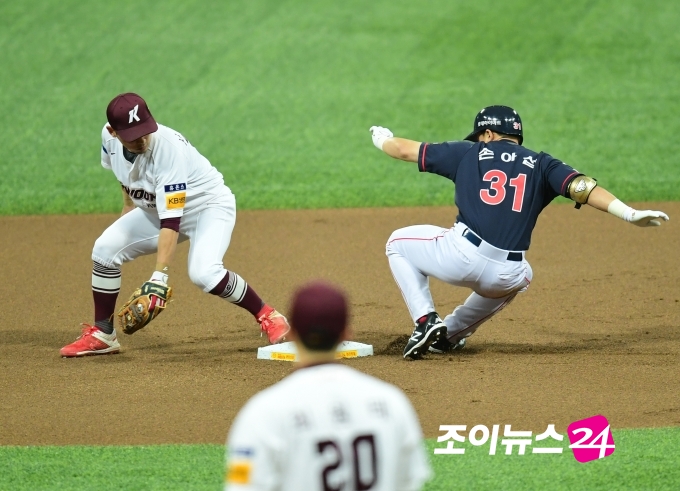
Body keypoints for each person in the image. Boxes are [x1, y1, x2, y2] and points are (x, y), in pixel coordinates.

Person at [369, 105, 669, 360]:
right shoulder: (543, 164)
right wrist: (629, 213)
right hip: (505, 273)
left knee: (397, 242)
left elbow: (404, 150)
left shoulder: (470, 152)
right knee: (522, 274)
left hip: (459, 256)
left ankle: (424, 320)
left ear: (487, 134)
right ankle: (450, 334)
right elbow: (582, 188)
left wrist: (382, 139)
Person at [60, 93, 290, 357]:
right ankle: (103, 334)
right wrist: (127, 206)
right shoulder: (108, 138)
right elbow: (122, 174)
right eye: (132, 136)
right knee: (104, 249)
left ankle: (268, 315)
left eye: (144, 131)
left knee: (204, 273)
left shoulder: (168, 149)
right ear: (113, 132)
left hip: (207, 207)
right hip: (154, 210)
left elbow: (171, 220)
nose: (141, 139)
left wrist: (160, 275)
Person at [224, 281, 431, 491]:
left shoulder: (264, 412)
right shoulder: (391, 402)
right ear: (346, 334)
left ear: (292, 333)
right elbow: (409, 481)